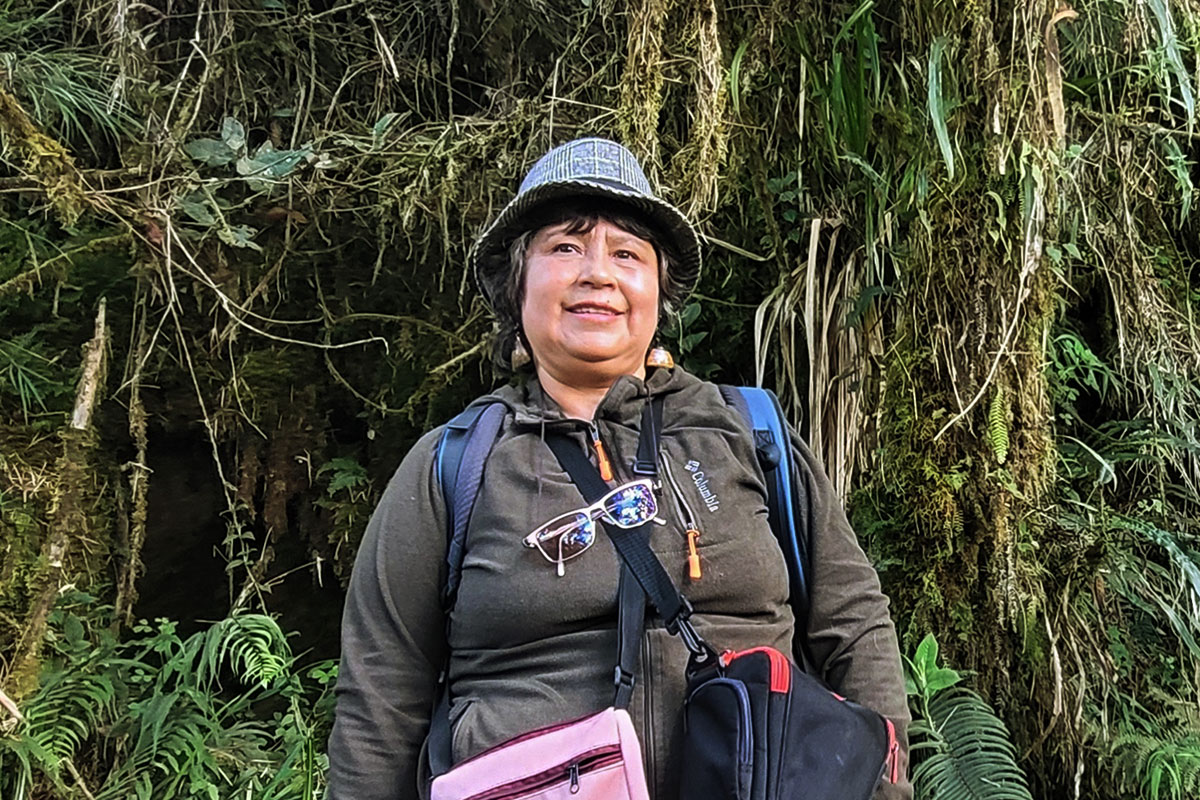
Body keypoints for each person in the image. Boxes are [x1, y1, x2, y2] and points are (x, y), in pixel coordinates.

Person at [325, 137, 912, 800]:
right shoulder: (454, 465)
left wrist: (883, 787)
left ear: (658, 292)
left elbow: (854, 625)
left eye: (626, 253)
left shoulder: (746, 432)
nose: (597, 273)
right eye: (565, 247)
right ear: (519, 284)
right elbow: (379, 700)